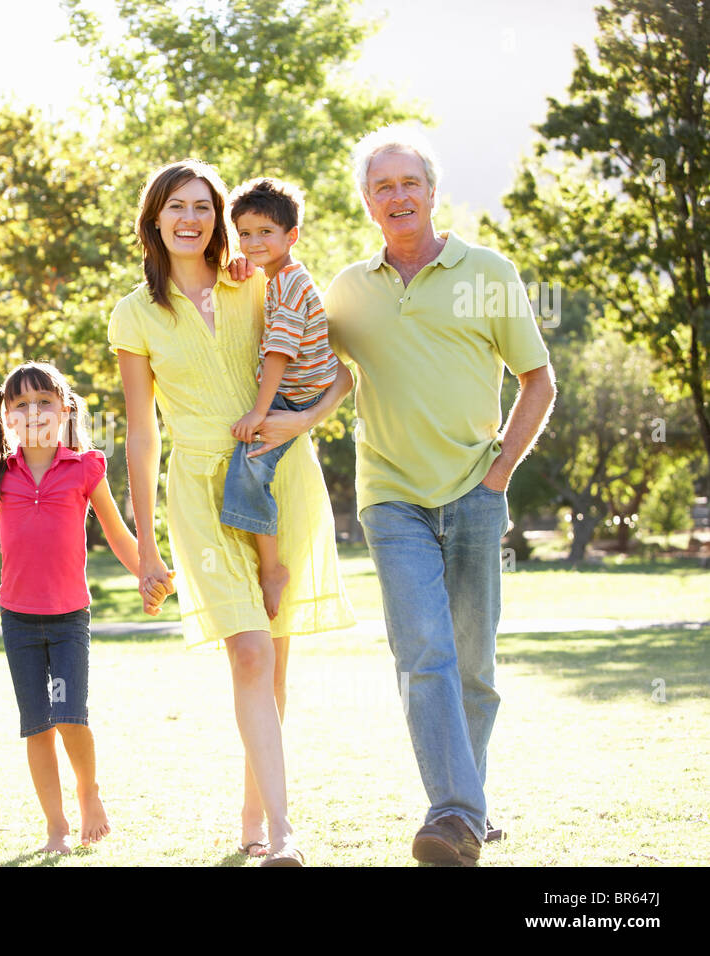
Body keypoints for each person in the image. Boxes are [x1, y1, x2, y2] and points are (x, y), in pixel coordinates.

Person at [108, 159, 356, 866]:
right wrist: (145, 545)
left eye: (204, 207)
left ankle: (255, 818)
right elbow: (140, 428)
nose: (191, 219)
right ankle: (283, 833)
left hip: (282, 479)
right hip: (198, 490)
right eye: (176, 207)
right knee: (246, 651)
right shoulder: (135, 312)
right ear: (154, 219)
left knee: (273, 664)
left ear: (219, 219)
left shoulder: (260, 283)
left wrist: (301, 421)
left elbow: (336, 375)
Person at [324, 126, 556, 866]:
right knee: (424, 652)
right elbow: (297, 349)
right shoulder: (348, 290)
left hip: (474, 493)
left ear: (431, 191)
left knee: (474, 666)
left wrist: (499, 473)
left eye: (409, 183)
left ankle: (467, 812)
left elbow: (538, 380)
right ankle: (453, 814)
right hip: (390, 497)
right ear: (366, 201)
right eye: (382, 186)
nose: (397, 197)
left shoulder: (487, 270)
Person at [0, 362, 168, 854]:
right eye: (21, 405)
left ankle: (88, 792)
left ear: (65, 411)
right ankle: (56, 826)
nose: (33, 413)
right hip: (19, 620)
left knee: (71, 716)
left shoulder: (87, 466)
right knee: (38, 726)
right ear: (7, 416)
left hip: (70, 618)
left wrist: (148, 571)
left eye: (44, 402)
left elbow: (117, 533)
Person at [220, 178, 341, 620]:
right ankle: (266, 563)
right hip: (298, 389)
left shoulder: (289, 283)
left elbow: (278, 352)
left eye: (265, 233)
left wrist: (259, 411)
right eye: (245, 234)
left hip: (293, 395)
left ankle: (272, 570)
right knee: (249, 470)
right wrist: (243, 264)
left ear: (292, 236)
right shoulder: (279, 275)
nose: (253, 243)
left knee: (250, 468)